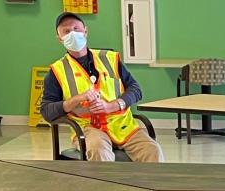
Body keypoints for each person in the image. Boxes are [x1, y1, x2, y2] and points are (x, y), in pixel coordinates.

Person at [40, 13, 163, 165]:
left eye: (76, 28)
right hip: (89, 129)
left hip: (123, 125)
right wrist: (76, 100)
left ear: (85, 31)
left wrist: (113, 105)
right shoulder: (57, 71)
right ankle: (108, 189)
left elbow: (135, 90)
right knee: (99, 149)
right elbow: (46, 111)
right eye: (66, 31)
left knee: (152, 150)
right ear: (59, 38)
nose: (72, 33)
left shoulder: (110, 59)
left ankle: (151, 189)